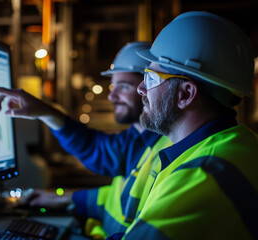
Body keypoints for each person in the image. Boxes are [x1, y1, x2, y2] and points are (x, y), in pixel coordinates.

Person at [0, 42, 172, 238]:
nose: (112, 96)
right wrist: (66, 198)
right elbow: (95, 149)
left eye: (123, 86)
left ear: (149, 86)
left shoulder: (166, 148)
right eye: (113, 86)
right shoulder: (138, 139)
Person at [108, 11, 258, 240]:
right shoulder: (234, 145)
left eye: (151, 78)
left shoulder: (202, 172)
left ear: (186, 94)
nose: (141, 89)